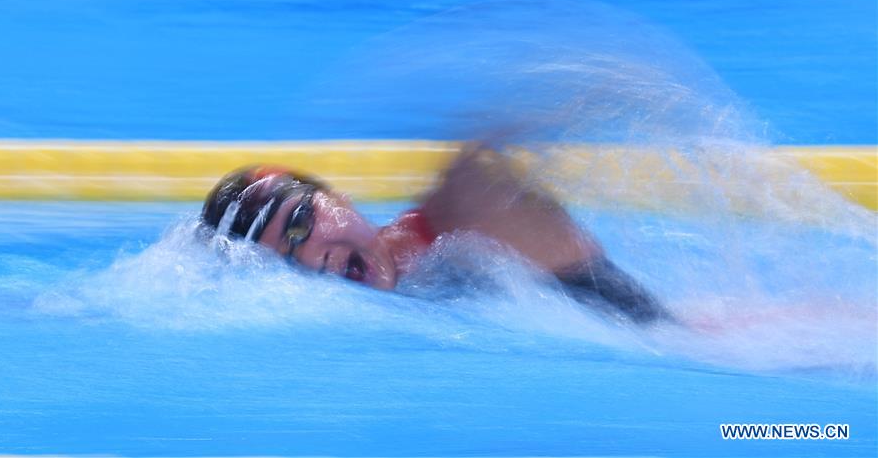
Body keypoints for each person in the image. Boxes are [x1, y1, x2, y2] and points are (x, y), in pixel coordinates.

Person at [200, 144, 670, 323]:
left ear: (337, 196)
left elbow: (636, 315)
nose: (310, 258)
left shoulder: (458, 221)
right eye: (285, 259)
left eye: (301, 223)